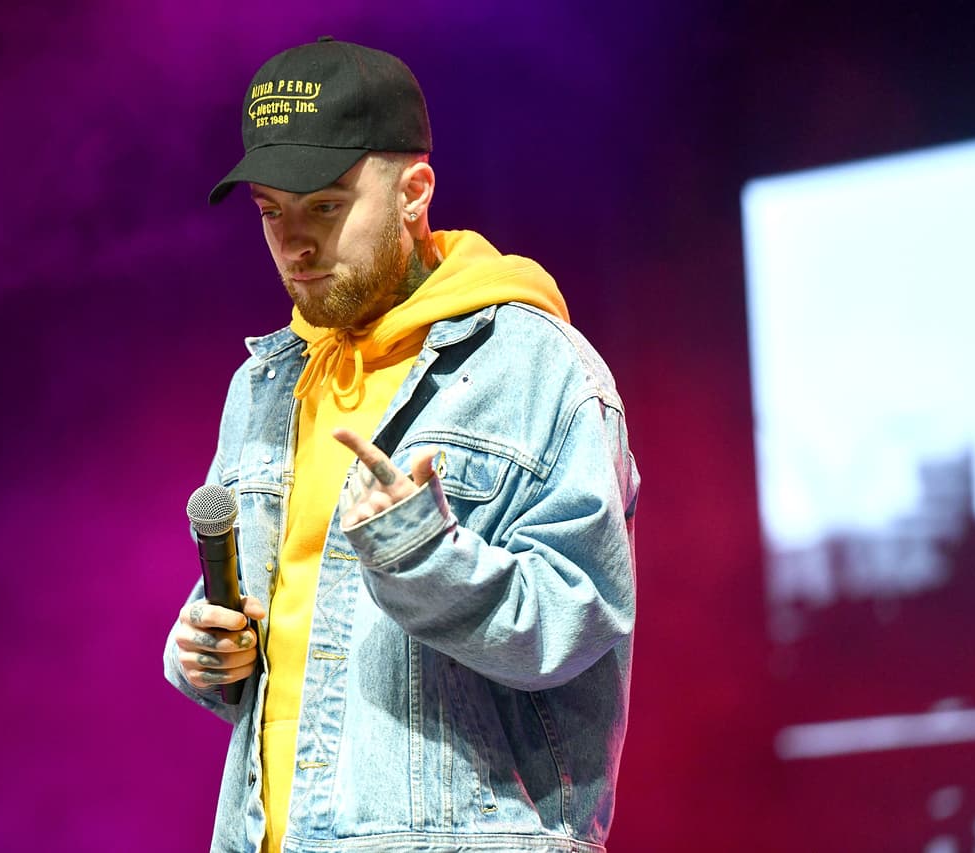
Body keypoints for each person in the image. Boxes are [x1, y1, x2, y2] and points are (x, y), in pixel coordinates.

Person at [164, 36, 639, 853]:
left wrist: (421, 555)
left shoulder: (534, 367)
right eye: (271, 212)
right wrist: (207, 651)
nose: (295, 244)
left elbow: (577, 620)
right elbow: (300, 651)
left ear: (415, 190)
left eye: (324, 204)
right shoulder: (267, 383)